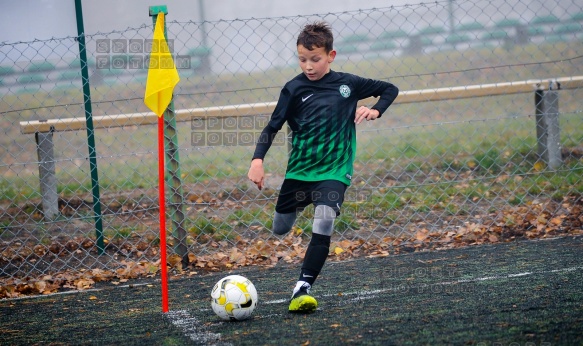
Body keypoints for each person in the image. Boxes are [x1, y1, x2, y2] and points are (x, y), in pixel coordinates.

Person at [247, 21, 399, 313]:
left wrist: (375, 109)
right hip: (300, 173)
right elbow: (272, 126)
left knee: (325, 219)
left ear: (331, 55)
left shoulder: (348, 84)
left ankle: (302, 287)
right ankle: (300, 205)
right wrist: (257, 160)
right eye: (302, 59)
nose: (309, 66)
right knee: (281, 228)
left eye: (315, 59)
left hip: (334, 171)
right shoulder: (293, 89)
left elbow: (390, 89)